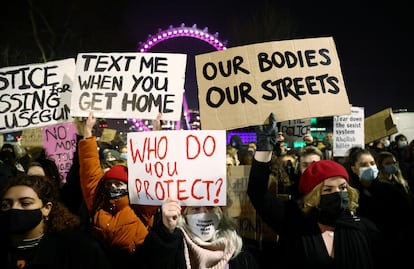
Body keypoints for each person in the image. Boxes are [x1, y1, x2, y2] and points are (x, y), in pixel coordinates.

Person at [247, 113, 381, 269]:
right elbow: (257, 192)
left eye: (342, 187)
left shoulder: (363, 227)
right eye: (328, 189)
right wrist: (264, 148)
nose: (338, 193)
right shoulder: (293, 220)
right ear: (313, 194)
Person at [78, 111, 158, 267]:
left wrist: (155, 134)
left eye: (119, 184)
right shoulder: (97, 202)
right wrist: (87, 132)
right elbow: (89, 170)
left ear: (130, 187)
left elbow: (151, 171)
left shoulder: (141, 205)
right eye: (109, 183)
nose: (113, 187)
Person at [0, 174, 111, 269]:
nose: (14, 208)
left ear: (46, 208)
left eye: (25, 203)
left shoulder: (79, 249)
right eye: (6, 205)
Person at [135, 198, 262, 269]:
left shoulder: (240, 255)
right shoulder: (173, 245)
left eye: (211, 206)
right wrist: (165, 232)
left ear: (220, 213)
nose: (203, 213)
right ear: (185, 215)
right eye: (195, 208)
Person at [344, 146, 414, 268]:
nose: (370, 167)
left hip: (393, 249)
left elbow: (406, 221)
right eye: (364, 165)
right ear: (354, 169)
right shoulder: (349, 196)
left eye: (372, 163)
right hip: (364, 251)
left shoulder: (392, 191)